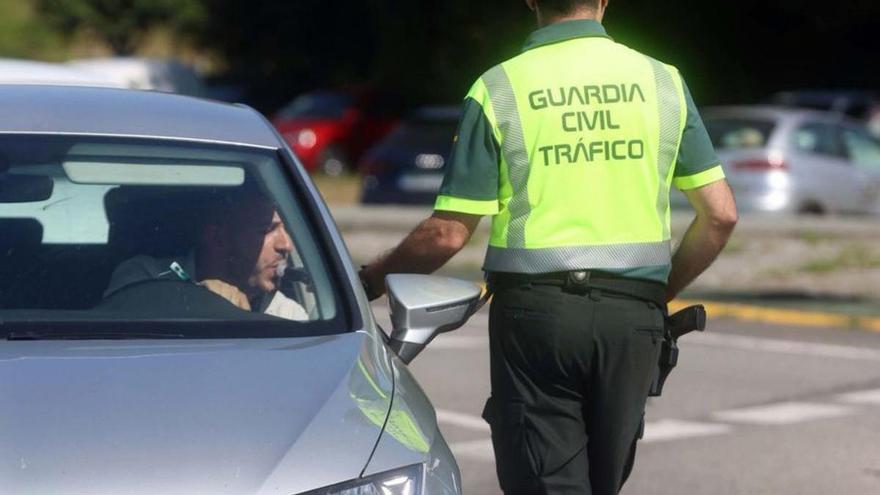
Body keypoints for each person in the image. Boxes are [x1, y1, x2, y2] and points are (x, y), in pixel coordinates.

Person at [359, 0, 738, 493]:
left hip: (537, 320)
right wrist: (658, 293)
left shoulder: (498, 88)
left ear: (531, 1)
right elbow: (721, 215)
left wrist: (367, 281)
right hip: (634, 319)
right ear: (603, 1)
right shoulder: (663, 82)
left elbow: (448, 233)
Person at [105, 189, 308, 321]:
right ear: (217, 237)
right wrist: (199, 300)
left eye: (287, 230)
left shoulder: (288, 315)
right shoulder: (145, 276)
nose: (286, 245)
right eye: (266, 230)